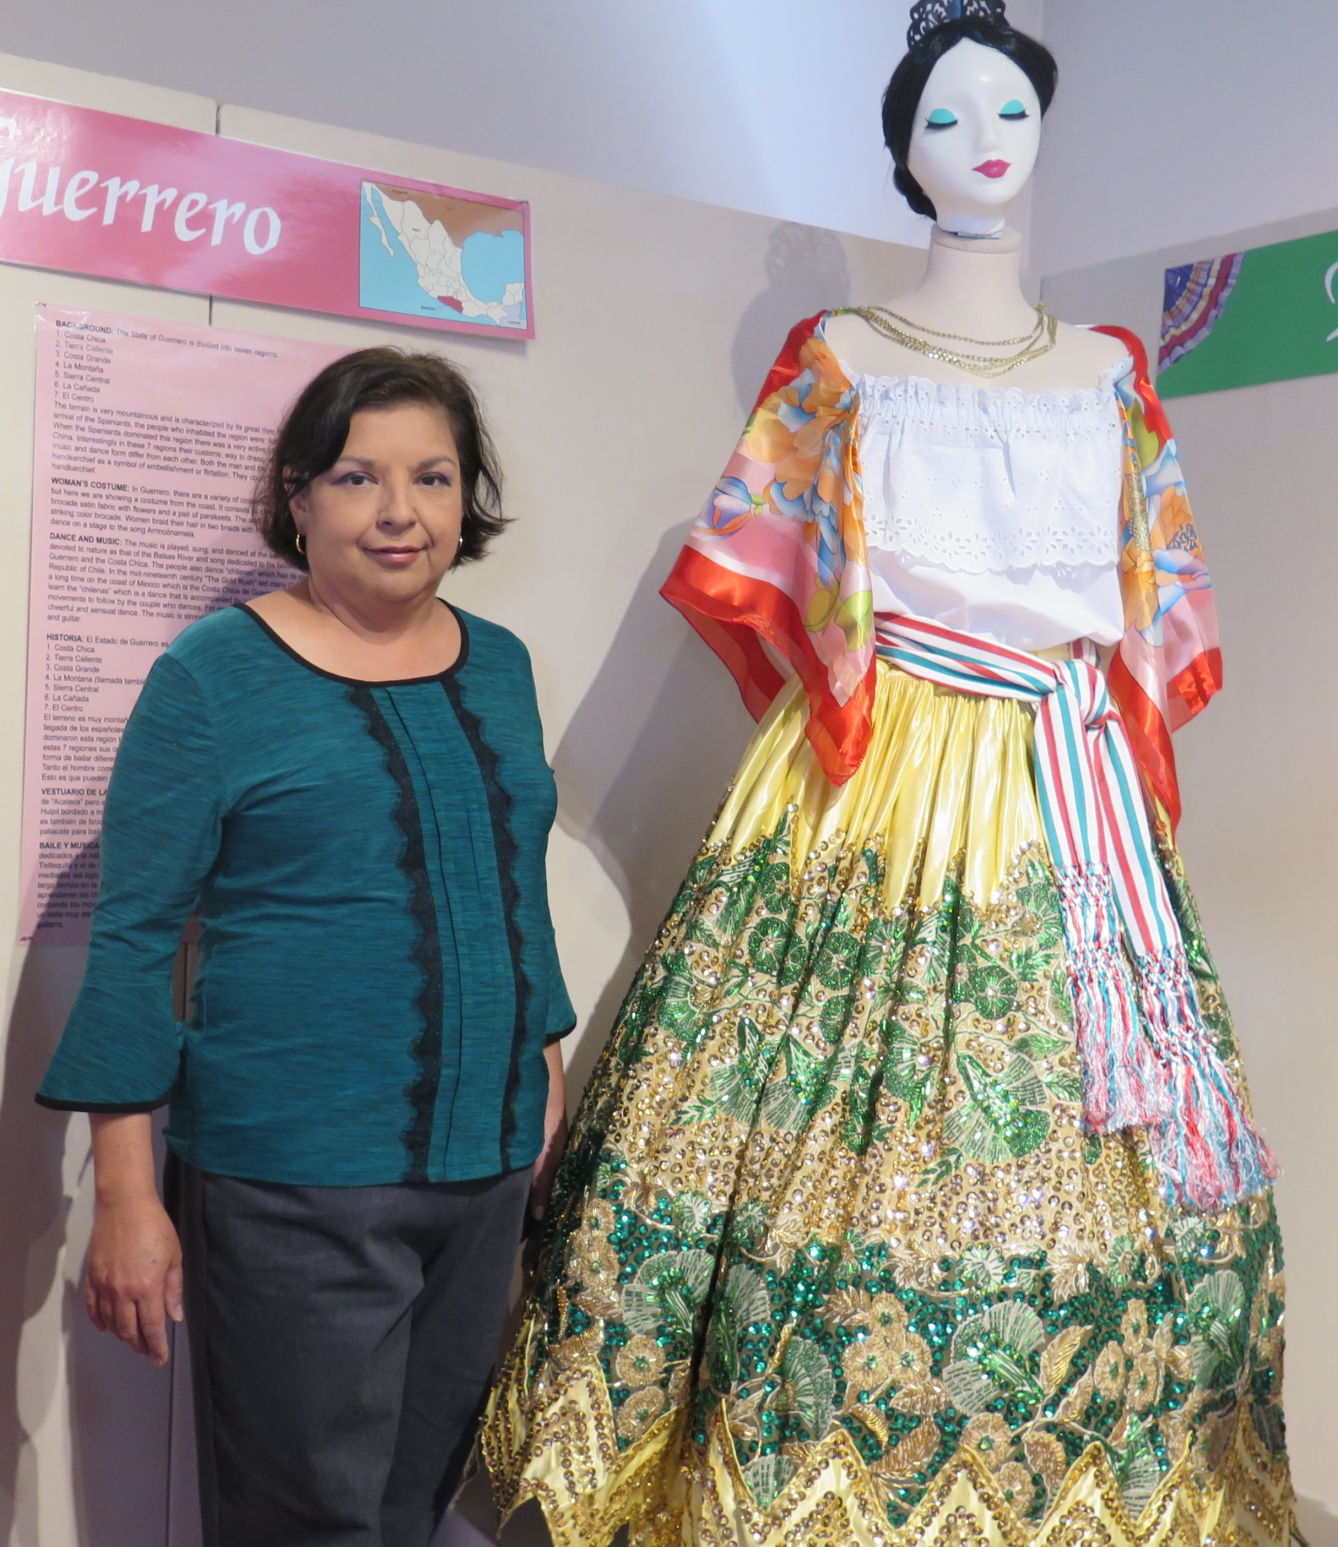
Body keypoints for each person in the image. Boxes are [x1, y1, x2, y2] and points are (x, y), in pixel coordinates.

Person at [481, 5, 1294, 1543]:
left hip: (1071, 794)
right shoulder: (839, 357)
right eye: (944, 117)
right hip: (885, 773)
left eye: (1009, 112)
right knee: (819, 1138)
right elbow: (767, 583)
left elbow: (1150, 612)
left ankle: (1081, 1469)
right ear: (900, 151)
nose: (982, 141)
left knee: (1108, 1149)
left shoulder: (1113, 371)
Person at [37, 347, 574, 1547]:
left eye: (433, 477)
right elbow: (132, 938)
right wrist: (127, 1190)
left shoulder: (500, 664)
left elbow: (516, 883)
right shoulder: (213, 675)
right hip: (290, 1182)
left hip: (483, 1174)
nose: (400, 511)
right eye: (356, 476)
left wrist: (540, 1064)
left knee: (410, 1505)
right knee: (303, 1519)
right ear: (296, 495)